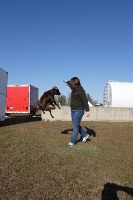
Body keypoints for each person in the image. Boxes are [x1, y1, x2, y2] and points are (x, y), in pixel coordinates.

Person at [63, 77, 90, 147]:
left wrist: (87, 110)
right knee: (76, 125)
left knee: (75, 127)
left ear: (75, 83)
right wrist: (67, 82)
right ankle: (85, 135)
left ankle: (72, 142)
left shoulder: (81, 91)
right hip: (73, 110)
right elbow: (70, 86)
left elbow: (85, 101)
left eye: (72, 83)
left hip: (79, 110)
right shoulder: (74, 89)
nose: (71, 84)